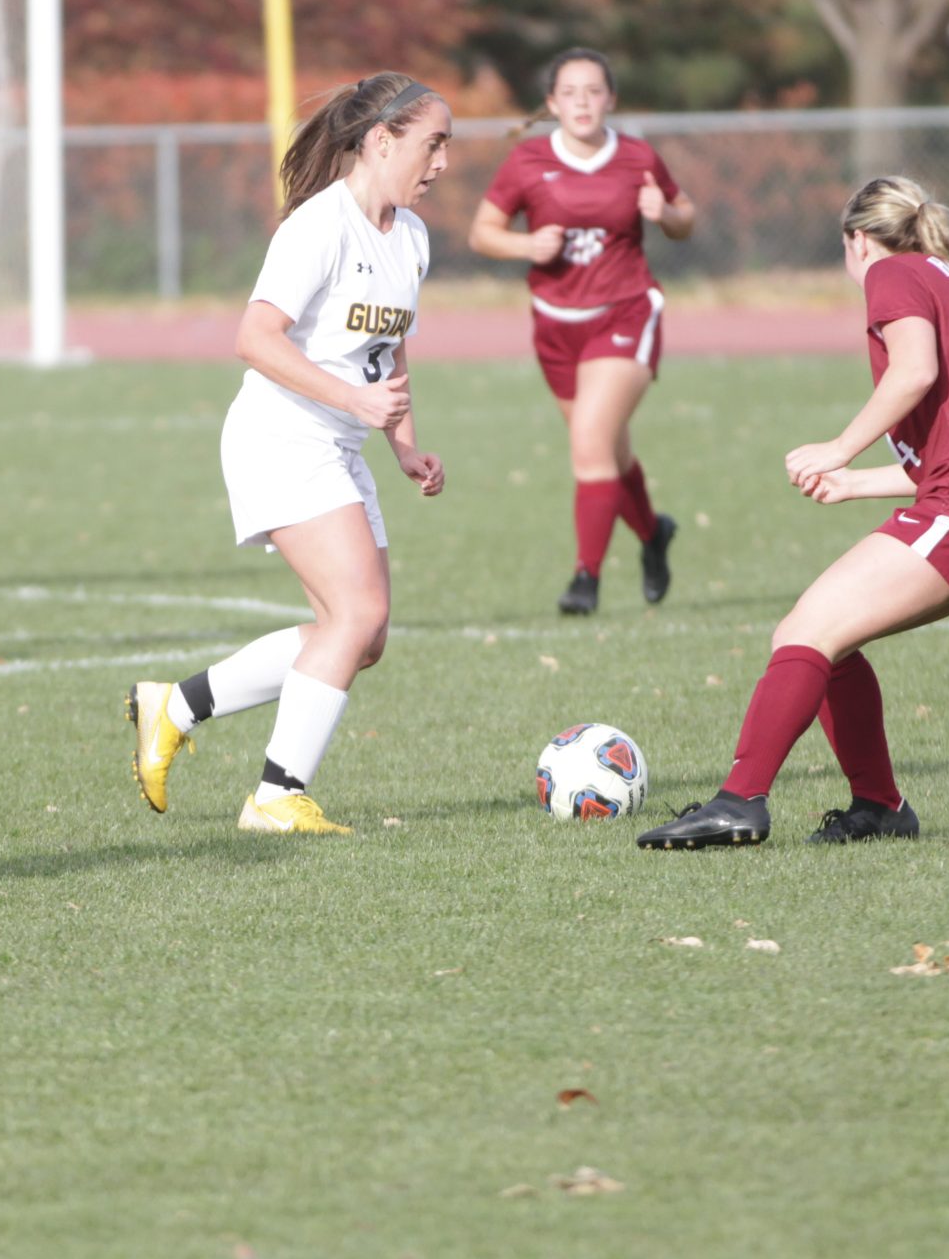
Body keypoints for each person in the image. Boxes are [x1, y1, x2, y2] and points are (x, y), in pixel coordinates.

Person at [636, 177, 949, 850]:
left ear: (857, 240)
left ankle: (740, 801)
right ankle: (881, 807)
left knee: (806, 631)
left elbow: (912, 372)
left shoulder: (893, 272)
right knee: (830, 638)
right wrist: (854, 482)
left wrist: (836, 446)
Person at [125, 74, 450, 835]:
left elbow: (387, 350)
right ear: (381, 141)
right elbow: (254, 339)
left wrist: (403, 445)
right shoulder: (318, 226)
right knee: (356, 611)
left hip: (335, 441)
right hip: (281, 437)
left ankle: (174, 706)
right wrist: (357, 406)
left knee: (362, 638)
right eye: (432, 144)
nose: (441, 163)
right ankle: (276, 796)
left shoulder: (411, 236)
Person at [468, 48, 697, 614]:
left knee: (590, 444)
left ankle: (585, 580)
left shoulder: (638, 157)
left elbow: (685, 216)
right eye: (570, 93)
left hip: (624, 313)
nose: (583, 103)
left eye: (594, 91)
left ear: (610, 99)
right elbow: (482, 233)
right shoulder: (527, 161)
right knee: (609, 450)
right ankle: (652, 534)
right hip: (555, 326)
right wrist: (526, 244)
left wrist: (663, 214)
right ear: (552, 104)